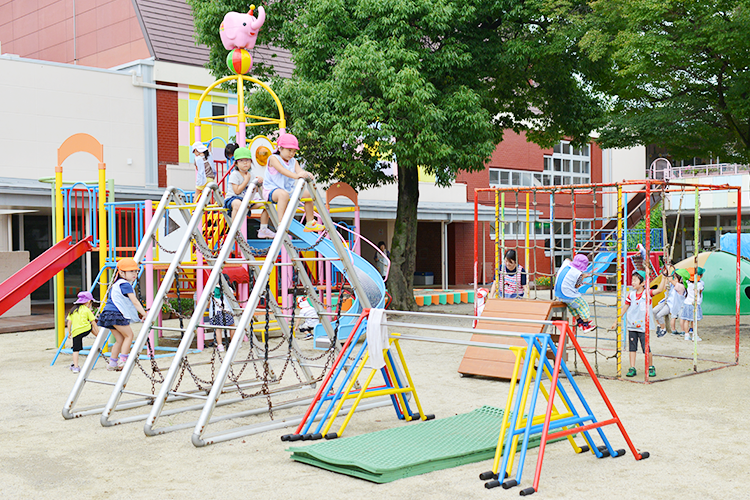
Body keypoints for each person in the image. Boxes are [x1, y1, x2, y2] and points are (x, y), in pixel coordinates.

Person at [611, 269, 667, 378]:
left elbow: (660, 289)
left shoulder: (647, 293)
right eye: (632, 280)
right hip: (632, 326)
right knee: (632, 348)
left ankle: (650, 366)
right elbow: (624, 309)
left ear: (642, 283)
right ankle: (632, 367)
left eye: (635, 280)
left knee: (646, 347)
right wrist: (616, 321)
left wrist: (664, 277)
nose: (633, 282)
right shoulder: (631, 295)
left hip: (643, 327)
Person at [264, 133, 324, 232]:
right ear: (280, 148)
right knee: (283, 195)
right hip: (272, 190)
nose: (292, 153)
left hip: (288, 190)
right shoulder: (274, 158)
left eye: (294, 151)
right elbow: (282, 170)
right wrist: (297, 176)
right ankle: (281, 222)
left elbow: (299, 171)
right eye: (289, 150)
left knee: (307, 194)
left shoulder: (293, 161)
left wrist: (306, 173)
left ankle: (309, 222)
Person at [97, 257, 147, 371]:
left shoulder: (116, 284)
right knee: (129, 336)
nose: (134, 274)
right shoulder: (125, 285)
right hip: (115, 314)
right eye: (131, 271)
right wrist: (144, 313)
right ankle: (123, 360)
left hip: (107, 314)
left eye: (135, 271)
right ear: (121, 272)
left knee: (119, 339)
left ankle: (112, 363)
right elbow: (134, 301)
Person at [223, 146, 275, 238]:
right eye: (241, 161)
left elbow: (255, 190)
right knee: (237, 204)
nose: (245, 163)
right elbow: (237, 191)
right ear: (236, 163)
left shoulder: (251, 175)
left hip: (247, 201)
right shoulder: (234, 175)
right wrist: (246, 181)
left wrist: (261, 181)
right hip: (233, 198)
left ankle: (263, 229)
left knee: (267, 204)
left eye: (248, 160)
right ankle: (235, 229)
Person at [554, 254, 596, 332]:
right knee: (583, 305)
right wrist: (583, 277)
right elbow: (577, 286)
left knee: (572, 306)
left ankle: (579, 321)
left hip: (558, 294)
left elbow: (567, 259)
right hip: (568, 294)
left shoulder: (565, 264)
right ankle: (585, 325)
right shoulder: (578, 274)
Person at [66, 291, 100, 373]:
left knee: (75, 349)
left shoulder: (73, 310)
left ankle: (76, 367)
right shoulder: (87, 310)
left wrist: (69, 332)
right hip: (86, 330)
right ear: (88, 302)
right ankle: (98, 337)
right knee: (90, 326)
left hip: (76, 332)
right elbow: (93, 322)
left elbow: (69, 322)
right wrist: (98, 333)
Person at [653, 266, 686, 337]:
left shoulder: (680, 286)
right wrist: (665, 277)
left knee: (659, 315)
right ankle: (659, 325)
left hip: (672, 305)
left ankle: (663, 329)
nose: (674, 279)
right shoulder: (673, 284)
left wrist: (668, 269)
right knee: (654, 310)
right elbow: (665, 287)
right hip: (666, 302)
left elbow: (670, 279)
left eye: (675, 277)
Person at [680, 267, 705, 342]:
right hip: (695, 303)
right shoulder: (700, 284)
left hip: (687, 303)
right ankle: (694, 335)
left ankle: (686, 335)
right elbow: (700, 293)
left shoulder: (687, 283)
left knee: (687, 320)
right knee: (694, 321)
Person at [209, 283, 235, 352]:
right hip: (227, 310)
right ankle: (232, 343)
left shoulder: (212, 289)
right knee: (232, 326)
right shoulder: (228, 288)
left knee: (218, 329)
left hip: (217, 311)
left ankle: (220, 345)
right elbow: (232, 298)